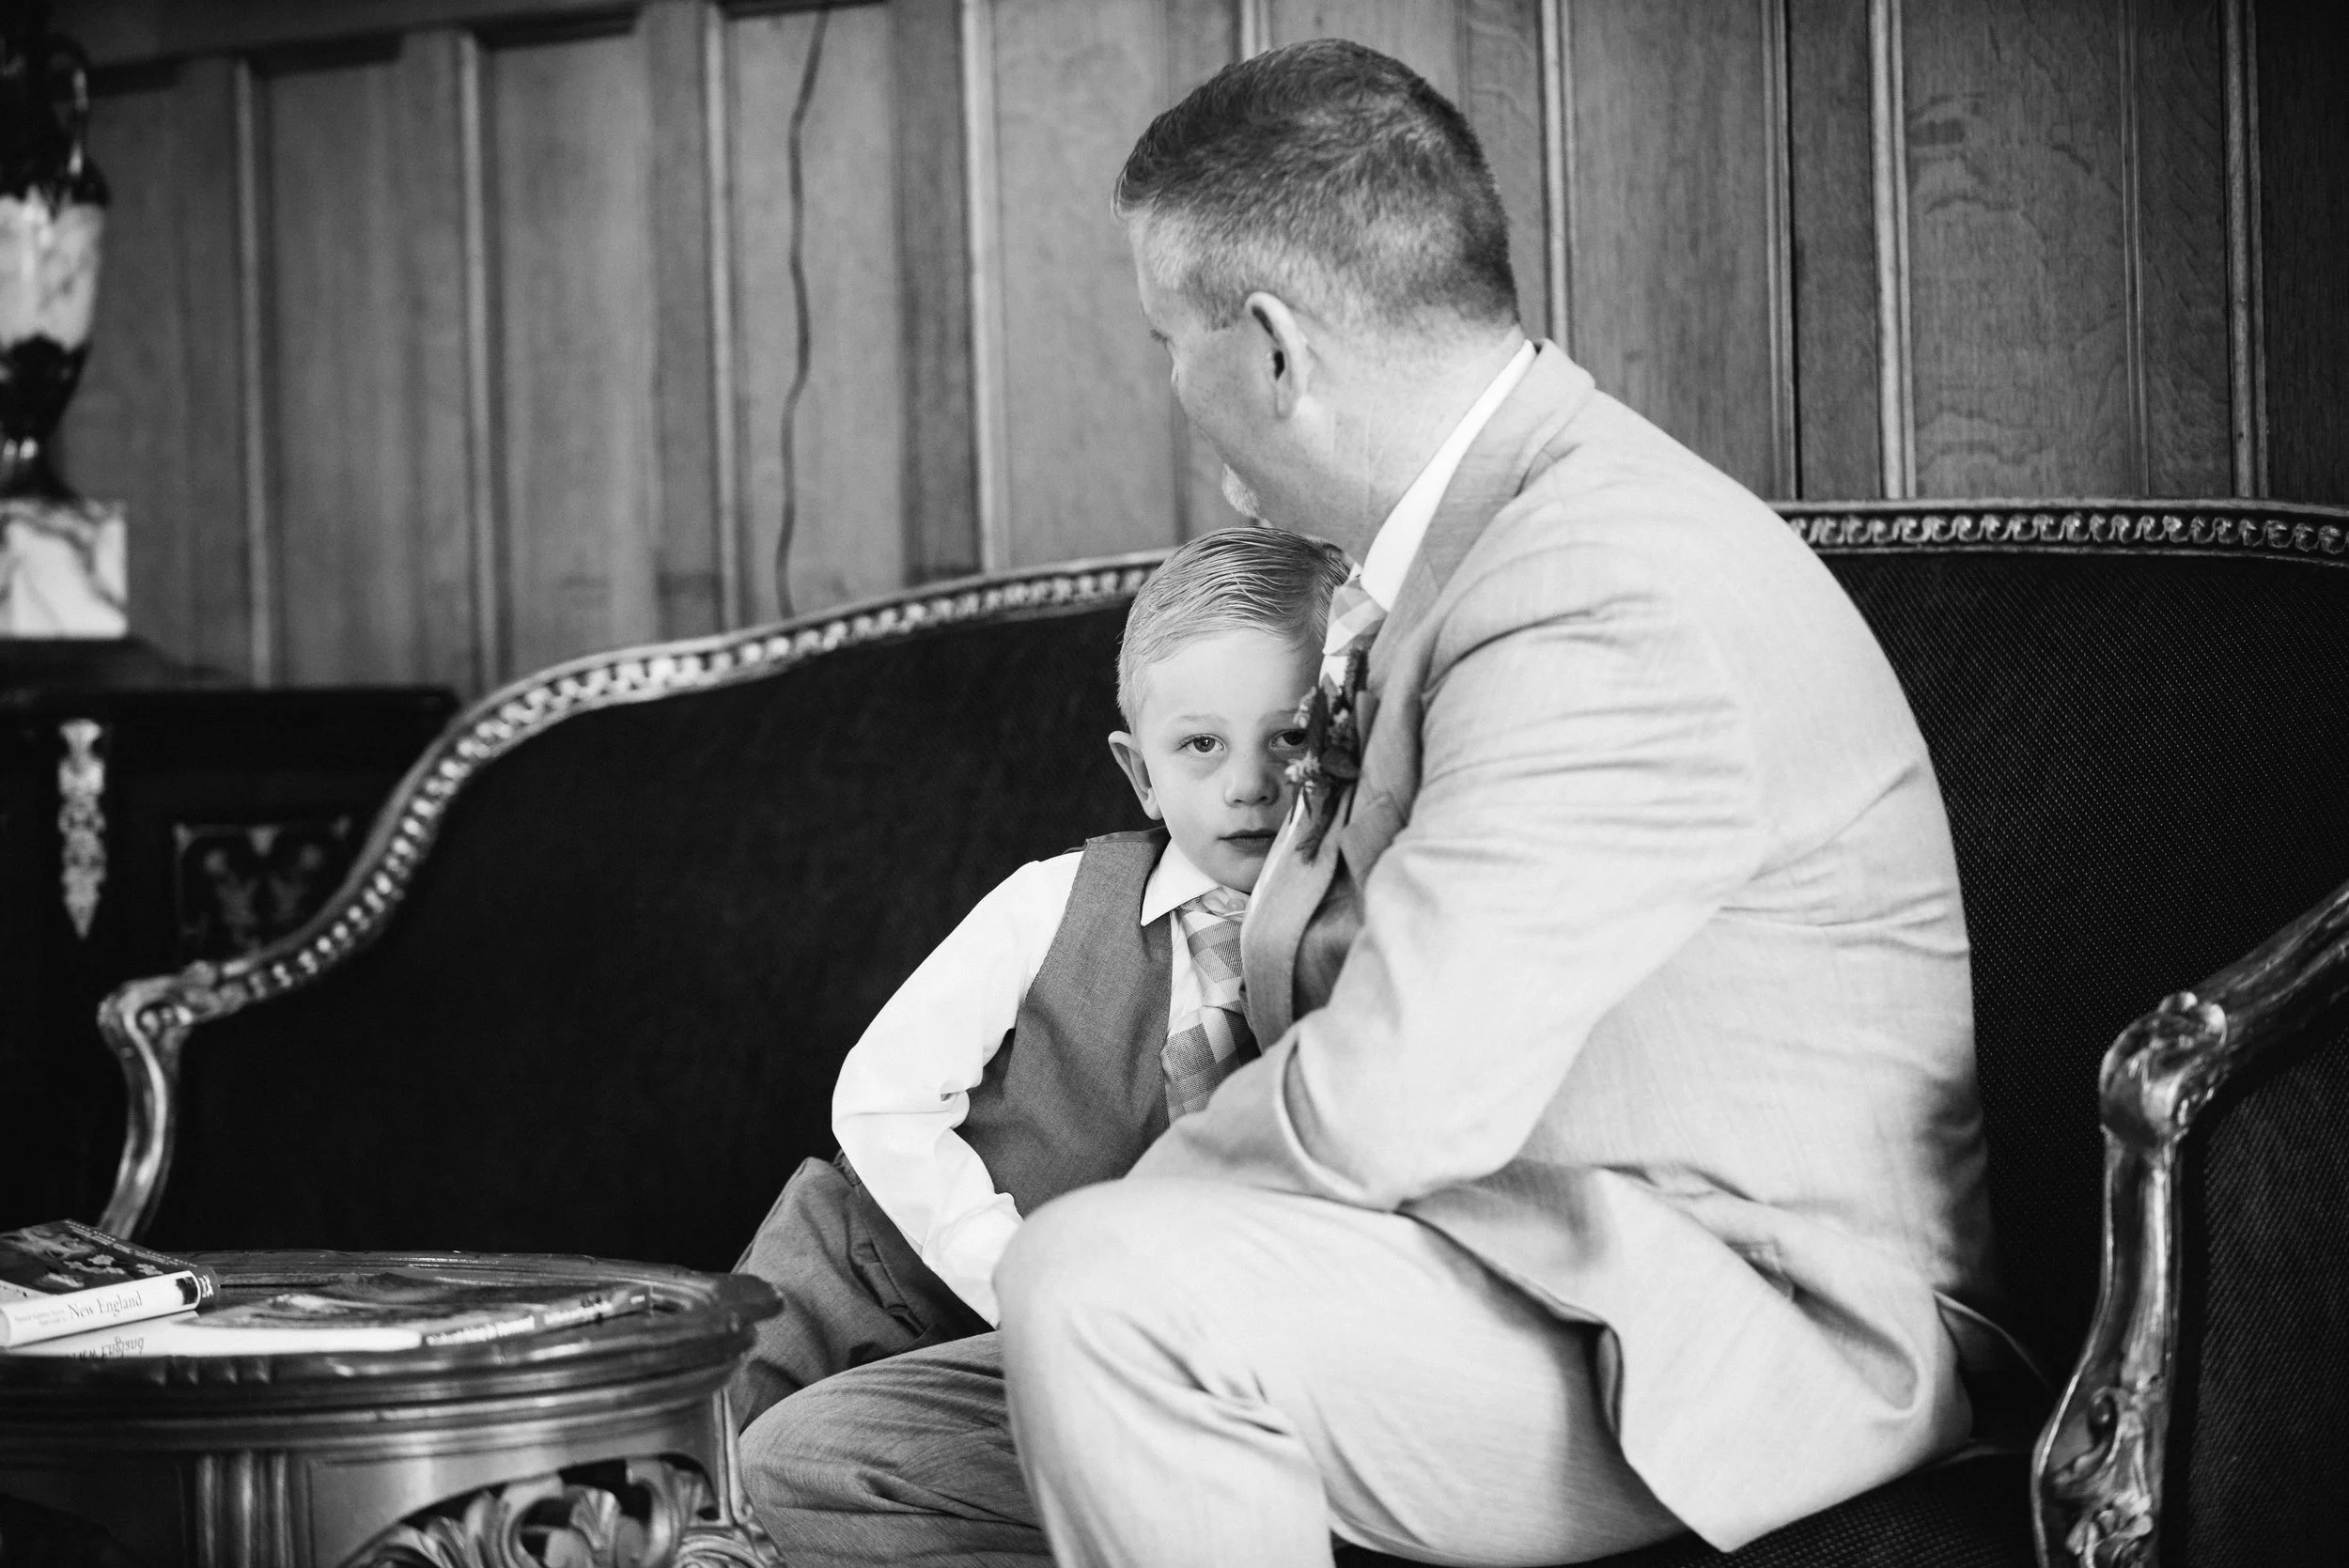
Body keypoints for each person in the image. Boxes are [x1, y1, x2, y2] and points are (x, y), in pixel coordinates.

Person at [749, 39, 2023, 1568]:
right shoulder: (1417, 576)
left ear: (1274, 348)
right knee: (826, 1461)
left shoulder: (1599, 585)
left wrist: (1133, 1221)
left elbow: (1401, 1087)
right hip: (1457, 1260)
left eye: (1167, 334)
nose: (1168, 381)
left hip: (1706, 1319)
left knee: (1107, 1283)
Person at [728, 527, 1349, 1433]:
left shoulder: (1356, 946)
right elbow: (884, 1096)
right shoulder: (1051, 902)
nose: (1248, 785)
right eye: (1201, 745)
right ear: (1140, 772)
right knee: (714, 1484)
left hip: (1085, 1362)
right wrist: (1010, 1271)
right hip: (872, 1276)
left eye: (1288, 737)